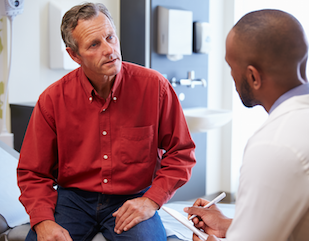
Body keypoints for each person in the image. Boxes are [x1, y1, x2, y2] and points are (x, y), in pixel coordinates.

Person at [184, 9, 309, 241]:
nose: (231, 77)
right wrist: (228, 226)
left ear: (253, 77)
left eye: (231, 67)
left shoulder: (275, 144)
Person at [17, 3, 196, 241]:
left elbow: (181, 153)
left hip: (132, 197)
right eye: (94, 44)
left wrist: (151, 201)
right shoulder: (52, 100)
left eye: (110, 37)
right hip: (73, 200)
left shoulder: (155, 87)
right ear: (74, 55)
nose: (110, 49)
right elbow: (33, 171)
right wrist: (43, 221)